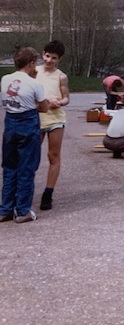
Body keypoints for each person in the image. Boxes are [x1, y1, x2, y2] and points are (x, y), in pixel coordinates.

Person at [0, 47, 49, 223]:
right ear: (31, 63)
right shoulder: (35, 83)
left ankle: (5, 209)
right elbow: (44, 107)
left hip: (10, 122)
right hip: (28, 122)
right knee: (26, 167)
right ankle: (22, 211)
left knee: (9, 166)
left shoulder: (5, 79)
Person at [36, 39, 69, 211]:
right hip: (37, 120)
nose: (49, 60)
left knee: (53, 156)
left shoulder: (61, 76)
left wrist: (60, 102)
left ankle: (48, 194)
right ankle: (23, 191)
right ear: (43, 54)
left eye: (53, 58)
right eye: (47, 56)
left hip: (55, 120)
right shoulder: (34, 72)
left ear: (59, 59)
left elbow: (66, 98)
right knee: (31, 157)